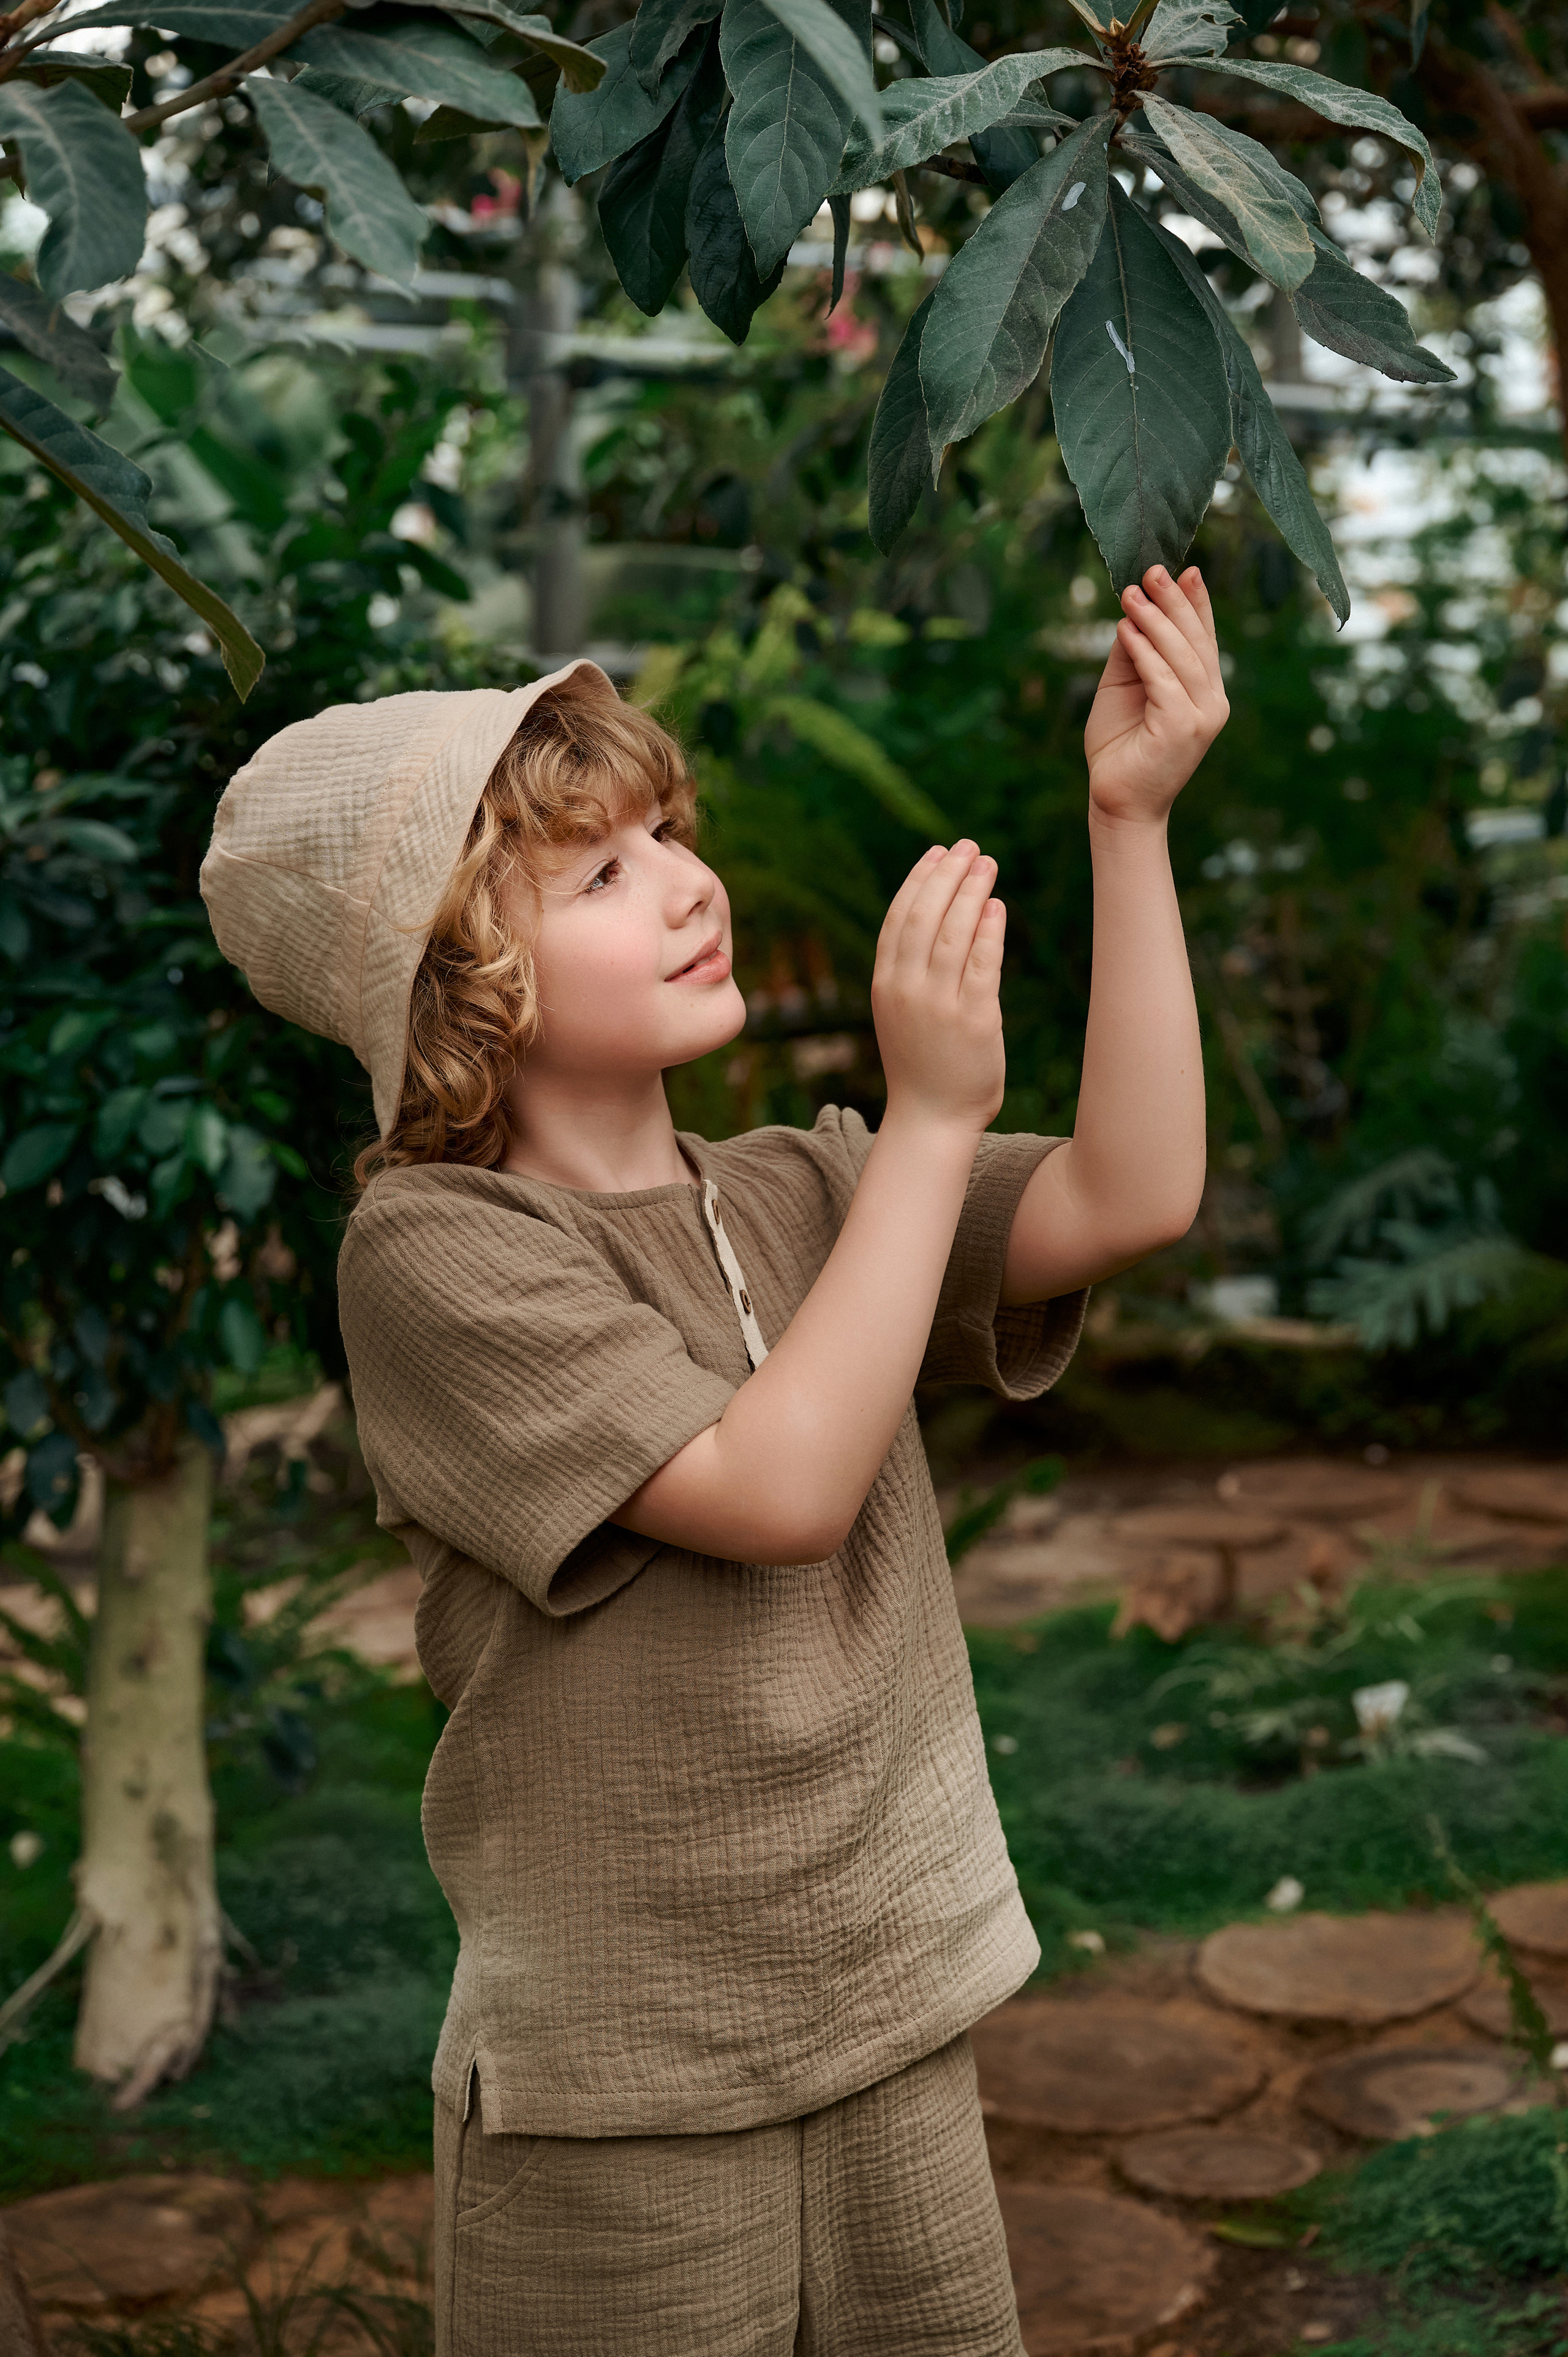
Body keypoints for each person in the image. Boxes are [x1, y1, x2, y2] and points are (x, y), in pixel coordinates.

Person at [200, 561, 1226, 2355]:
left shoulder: (807, 1187)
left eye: (672, 832)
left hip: (894, 2010)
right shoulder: (434, 1257)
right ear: (458, 988)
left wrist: (1124, 822)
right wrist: (932, 1120)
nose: (688, 885)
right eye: (602, 873)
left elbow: (1134, 1192)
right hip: (627, 2094)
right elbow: (777, 1491)